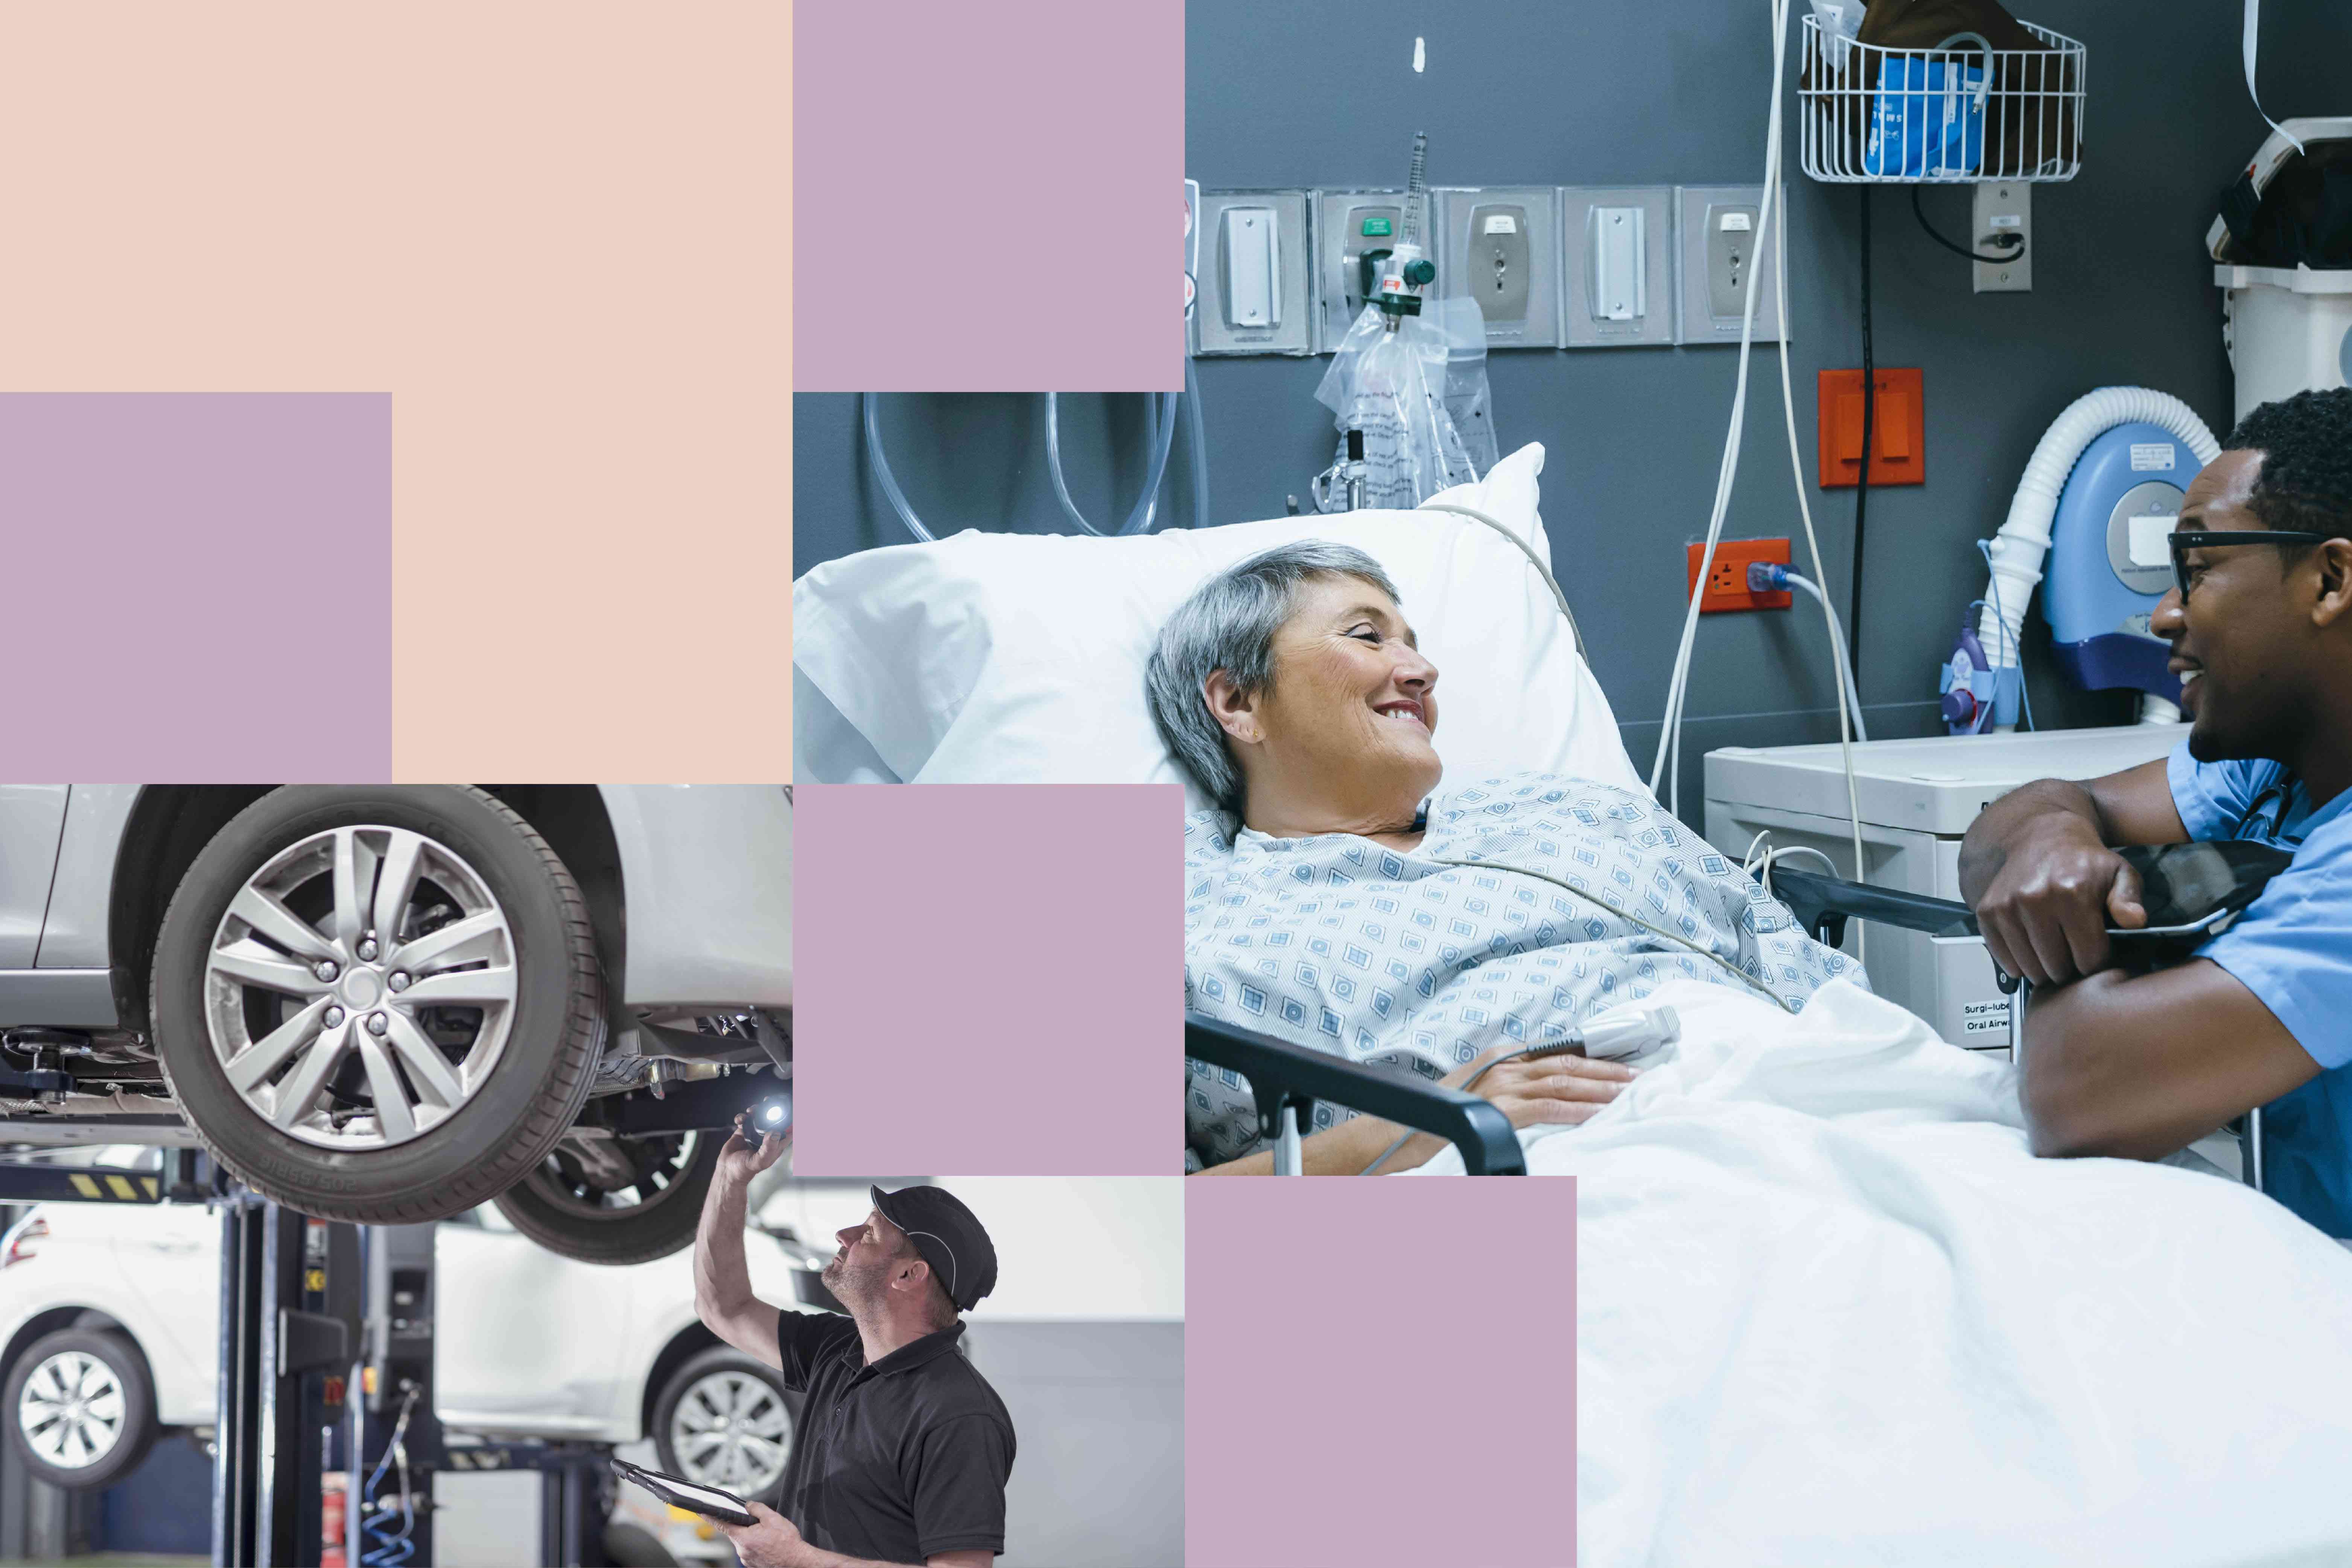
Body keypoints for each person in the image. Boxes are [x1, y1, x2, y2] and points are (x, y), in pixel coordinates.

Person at [1149, 539, 1862, 1174]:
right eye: (1368, 636)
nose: (1422, 670)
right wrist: (1434, 1122)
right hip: (1545, 1169)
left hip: (1804, 1100)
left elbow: (1821, 991)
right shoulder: (1172, 905)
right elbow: (1102, 1245)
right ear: (1238, 700)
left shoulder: (1573, 807)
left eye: (1416, 645)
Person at [1958, 387, 2352, 1235]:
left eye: (2199, 569)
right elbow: (2022, 817)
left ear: (2327, 581)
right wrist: (2052, 843)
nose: (2163, 612)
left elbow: (2075, 1091)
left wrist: (2082, 940)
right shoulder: (2270, 773)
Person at [691, 1116, 1016, 1567]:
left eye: (868, 1234)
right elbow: (723, 1307)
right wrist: (731, 1181)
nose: (843, 1236)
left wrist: (795, 1558)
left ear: (909, 1275)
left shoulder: (957, 1413)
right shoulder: (837, 1349)